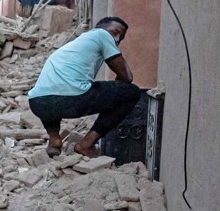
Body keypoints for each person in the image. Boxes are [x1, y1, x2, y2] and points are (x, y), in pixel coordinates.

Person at [27, 16, 142, 157]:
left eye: (121, 38)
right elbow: (127, 77)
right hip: (70, 99)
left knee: (54, 92)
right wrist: (118, 90)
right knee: (132, 93)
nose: (117, 39)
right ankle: (86, 144)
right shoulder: (101, 34)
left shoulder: (74, 45)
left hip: (37, 103)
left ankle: (55, 140)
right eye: (115, 32)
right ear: (100, 28)